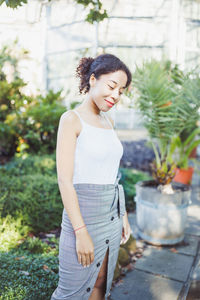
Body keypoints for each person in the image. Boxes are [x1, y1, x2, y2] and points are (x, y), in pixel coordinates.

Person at [51, 53, 132, 300]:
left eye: (122, 90)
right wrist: (80, 231)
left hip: (111, 216)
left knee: (100, 282)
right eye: (112, 86)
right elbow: (65, 180)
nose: (116, 95)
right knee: (72, 291)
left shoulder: (109, 121)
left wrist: (123, 215)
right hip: (83, 217)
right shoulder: (72, 120)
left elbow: (112, 174)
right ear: (93, 79)